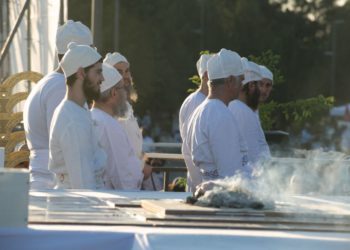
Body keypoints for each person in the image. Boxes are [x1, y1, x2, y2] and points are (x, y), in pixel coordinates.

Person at [23, 20, 93, 189]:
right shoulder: (60, 87)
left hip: (47, 179)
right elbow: (67, 144)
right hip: (51, 182)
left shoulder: (50, 83)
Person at [185, 48, 248, 185]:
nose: (242, 86)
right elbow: (231, 177)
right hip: (225, 201)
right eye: (241, 80)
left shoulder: (202, 110)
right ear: (230, 80)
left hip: (214, 195)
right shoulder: (220, 114)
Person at [49, 43, 106, 189]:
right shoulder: (72, 119)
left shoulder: (78, 110)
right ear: (81, 73)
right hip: (77, 206)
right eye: (98, 72)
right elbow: (83, 185)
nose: (103, 78)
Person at [91, 63, 152, 189]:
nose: (125, 93)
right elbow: (125, 179)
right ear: (114, 92)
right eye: (122, 88)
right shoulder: (110, 126)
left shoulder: (91, 117)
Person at [179, 54, 212, 192]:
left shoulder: (201, 100)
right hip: (200, 185)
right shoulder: (197, 102)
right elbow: (190, 149)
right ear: (205, 75)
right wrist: (201, 184)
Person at [228, 59, 270, 164]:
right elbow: (252, 158)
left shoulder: (239, 107)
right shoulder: (242, 111)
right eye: (259, 85)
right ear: (251, 85)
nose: (262, 90)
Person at [103, 52, 142, 158]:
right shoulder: (107, 107)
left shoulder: (126, 106)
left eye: (127, 71)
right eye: (119, 72)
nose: (125, 76)